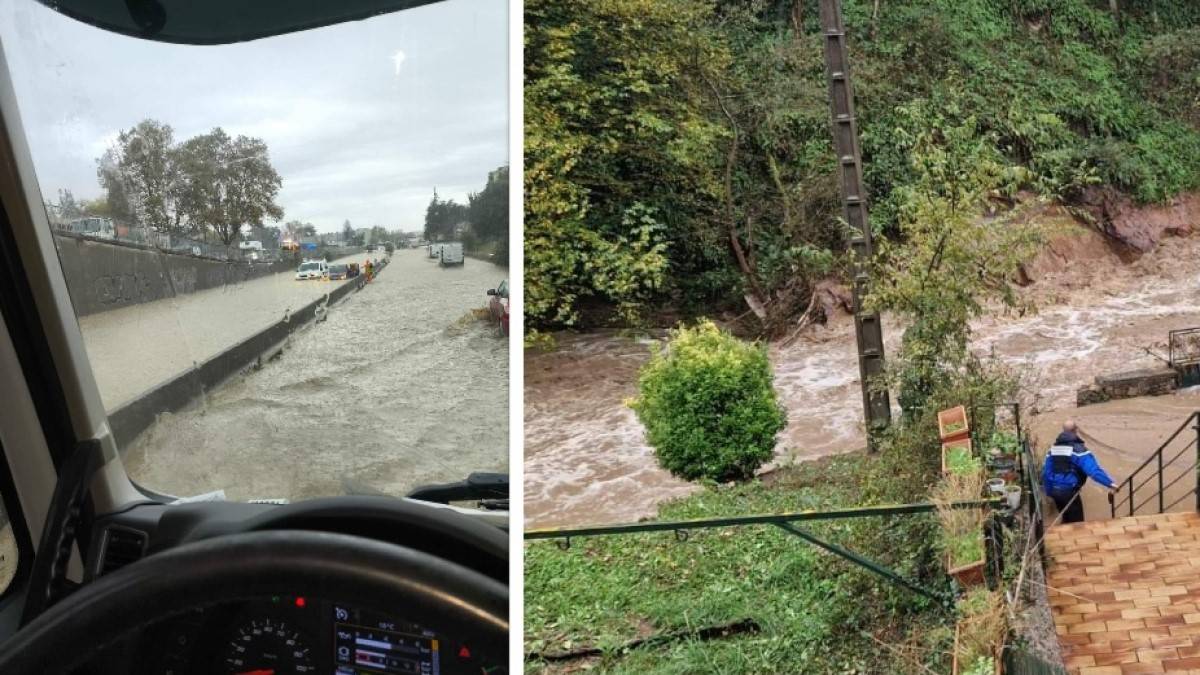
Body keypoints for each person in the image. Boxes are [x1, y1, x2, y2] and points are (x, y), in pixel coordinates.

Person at [1042, 420, 1117, 524]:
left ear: (1063, 431)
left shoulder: (1052, 450)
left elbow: (1046, 473)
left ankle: (1065, 532)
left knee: (1065, 515)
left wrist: (1049, 491)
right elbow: (1093, 472)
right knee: (1078, 523)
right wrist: (1110, 483)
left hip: (1054, 491)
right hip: (1069, 491)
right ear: (1076, 430)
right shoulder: (1080, 451)